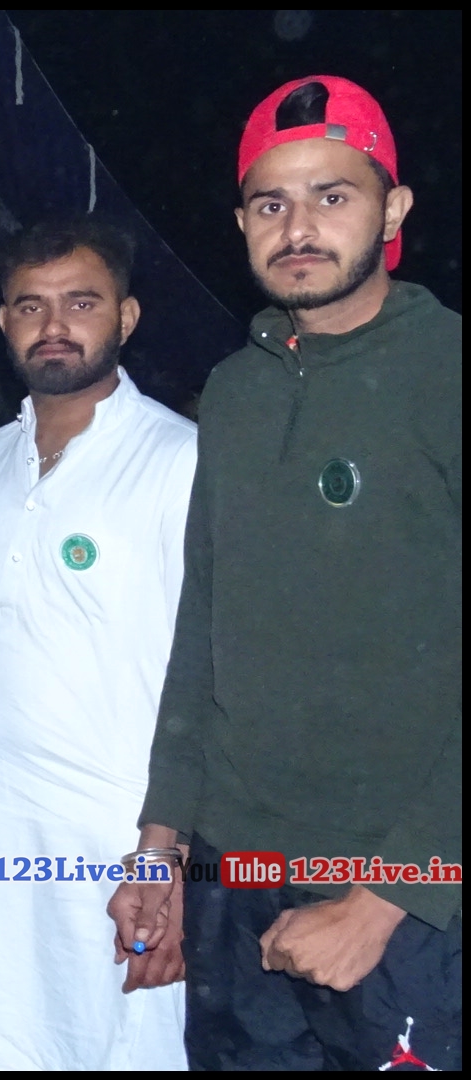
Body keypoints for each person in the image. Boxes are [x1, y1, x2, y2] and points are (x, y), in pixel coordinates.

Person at [114, 75, 461, 1071]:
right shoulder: (234, 392)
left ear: (393, 209)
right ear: (241, 223)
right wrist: (162, 843)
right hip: (239, 880)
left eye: (331, 195)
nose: (298, 227)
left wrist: (390, 896)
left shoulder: (446, 371)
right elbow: (203, 631)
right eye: (270, 203)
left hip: (410, 893)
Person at [0, 218, 195, 1069]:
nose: (54, 324)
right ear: (5, 324)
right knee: (1, 1044)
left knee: (127, 1048)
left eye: (81, 302)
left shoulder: (180, 460)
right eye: (30, 306)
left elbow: (208, 674)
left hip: (120, 838)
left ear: (127, 317)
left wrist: (169, 857)